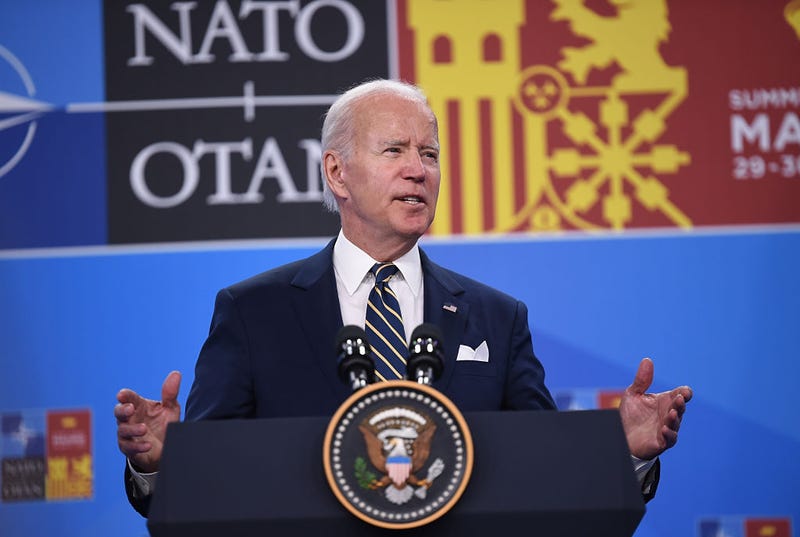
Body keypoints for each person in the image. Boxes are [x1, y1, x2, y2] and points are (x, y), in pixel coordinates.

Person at [115, 79, 692, 517]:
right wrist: (164, 464)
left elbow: (543, 476)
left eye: (430, 154)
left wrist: (626, 454)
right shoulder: (253, 312)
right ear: (337, 173)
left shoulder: (497, 317)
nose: (419, 170)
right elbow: (212, 484)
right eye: (394, 150)